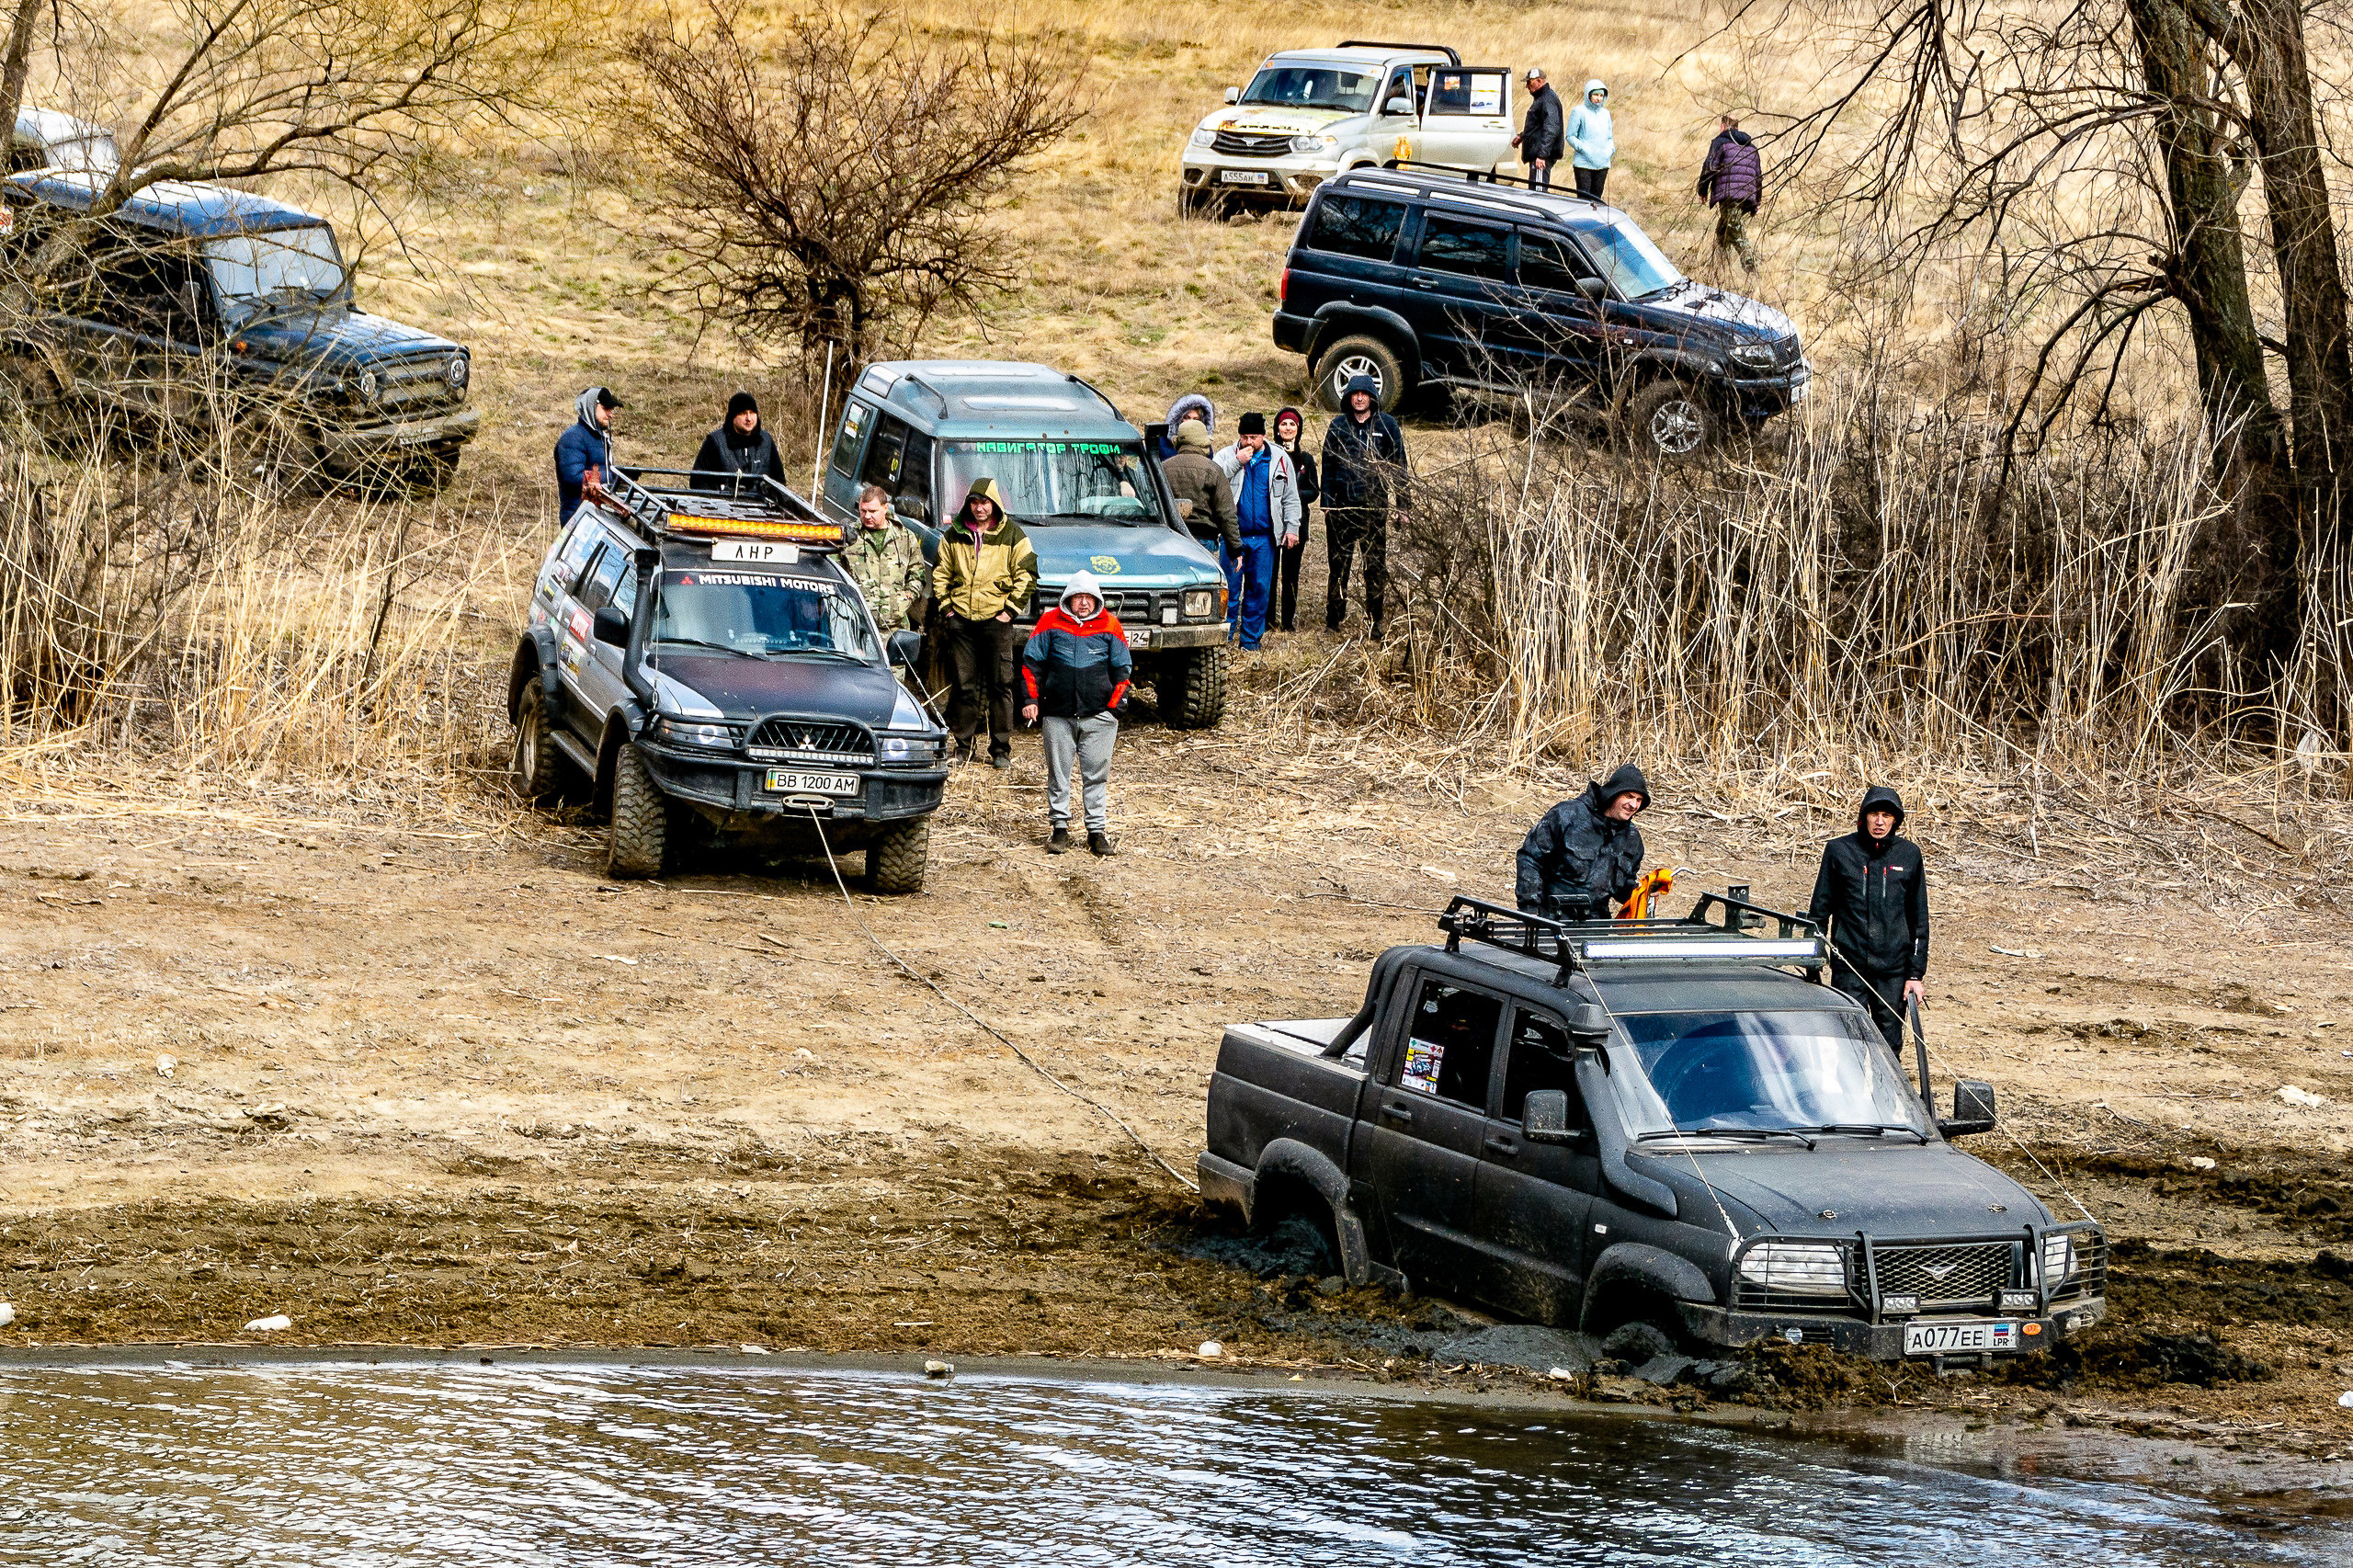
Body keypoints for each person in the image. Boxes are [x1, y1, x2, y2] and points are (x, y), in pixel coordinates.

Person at [1806, 786, 1930, 1052]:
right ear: (1864, 817)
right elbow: (1819, 911)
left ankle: (1884, 1095)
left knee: (1888, 1048)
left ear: (1895, 819)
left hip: (1893, 973)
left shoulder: (1909, 855)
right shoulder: (1839, 851)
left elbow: (1919, 919)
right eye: (1874, 813)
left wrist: (1915, 975)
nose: (1879, 821)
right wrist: (1812, 963)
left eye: (1886, 815)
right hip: (1849, 970)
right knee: (1847, 1045)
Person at [1020, 569, 1131, 857]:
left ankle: (1096, 832)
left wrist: (1114, 709)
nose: (1082, 603)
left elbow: (1123, 670)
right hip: (1057, 714)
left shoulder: (1110, 625)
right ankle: (1059, 829)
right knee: (1058, 774)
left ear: (1097, 600)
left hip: (1099, 717)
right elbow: (1031, 663)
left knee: (1096, 775)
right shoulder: (1049, 622)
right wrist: (1031, 699)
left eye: (1088, 598)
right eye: (1077, 597)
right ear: (1067, 599)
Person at [932, 478, 1039, 769]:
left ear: (995, 504)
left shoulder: (1013, 535)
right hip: (962, 622)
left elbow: (1028, 574)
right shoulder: (954, 535)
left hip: (996, 620)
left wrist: (1010, 611)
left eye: (985, 503)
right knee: (964, 686)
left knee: (1001, 686)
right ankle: (963, 746)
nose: (980, 508)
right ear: (969, 505)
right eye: (975, 503)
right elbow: (940, 573)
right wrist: (948, 610)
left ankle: (1001, 750)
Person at [1319, 375, 1408, 638]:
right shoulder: (1338, 426)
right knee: (1338, 567)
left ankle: (1375, 622)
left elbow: (1399, 468)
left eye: (1364, 393)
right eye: (1354, 393)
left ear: (1372, 397)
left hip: (1374, 510)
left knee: (1375, 567)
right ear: (1348, 398)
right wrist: (1327, 504)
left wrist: (1403, 506)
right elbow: (1328, 466)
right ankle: (1333, 621)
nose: (1359, 398)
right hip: (1341, 511)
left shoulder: (1387, 425)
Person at [1515, 764, 1652, 923]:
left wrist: (1642, 892)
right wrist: (1529, 911)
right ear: (1613, 793)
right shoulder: (1566, 815)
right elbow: (1530, 859)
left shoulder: (1632, 839)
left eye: (1639, 800)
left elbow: (1620, 888)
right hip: (1549, 921)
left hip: (1595, 927)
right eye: (1629, 796)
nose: (1634, 805)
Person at [1213, 412, 1302, 652]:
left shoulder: (1279, 458)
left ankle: (1250, 641)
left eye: (1253, 437)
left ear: (1263, 436)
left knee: (1259, 589)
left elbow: (1291, 497)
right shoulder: (1226, 455)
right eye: (1244, 437)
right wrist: (1237, 461)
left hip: (1264, 538)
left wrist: (1292, 528)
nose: (1248, 442)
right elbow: (1214, 481)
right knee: (1229, 589)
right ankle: (1224, 638)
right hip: (1234, 537)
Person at [843, 483, 929, 634]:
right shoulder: (849, 537)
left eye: (873, 511)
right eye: (863, 511)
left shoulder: (905, 537)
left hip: (895, 627)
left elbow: (918, 575)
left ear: (885, 508)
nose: (867, 516)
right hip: (857, 625)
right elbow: (836, 573)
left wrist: (907, 597)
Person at [1160, 417, 1240, 555]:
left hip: (1171, 538)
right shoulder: (1213, 469)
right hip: (1204, 540)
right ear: (1203, 442)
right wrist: (1235, 548)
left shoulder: (1163, 468)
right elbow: (1226, 512)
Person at [1271, 406, 1319, 633]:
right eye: (1283, 424)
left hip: (1297, 524)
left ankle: (1288, 621)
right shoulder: (1269, 455)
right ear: (1277, 428)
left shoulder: (1306, 459)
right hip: (1271, 522)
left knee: (1291, 574)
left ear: (1298, 429)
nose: (1288, 428)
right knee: (1269, 574)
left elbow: (1314, 491)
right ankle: (1268, 619)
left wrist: (1292, 495)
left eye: (1292, 424)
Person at [1697, 114, 1762, 275]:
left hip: (1729, 195)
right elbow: (1758, 176)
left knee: (1736, 230)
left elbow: (1710, 167)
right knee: (1722, 231)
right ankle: (1720, 271)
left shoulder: (1720, 142)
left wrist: (1702, 190)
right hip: (1748, 195)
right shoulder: (1751, 148)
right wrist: (1756, 202)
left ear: (1723, 127)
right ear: (1737, 127)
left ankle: (1751, 271)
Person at [690, 391, 789, 492]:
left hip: (761, 504)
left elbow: (779, 482)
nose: (749, 418)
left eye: (752, 413)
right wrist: (724, 490)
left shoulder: (766, 440)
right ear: (733, 417)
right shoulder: (715, 442)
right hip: (724, 504)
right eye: (743, 414)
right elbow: (698, 482)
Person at [554, 386, 620, 524]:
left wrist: (622, 477)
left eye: (611, 409)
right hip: (577, 519)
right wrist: (613, 475)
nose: (610, 414)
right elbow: (573, 477)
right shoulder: (573, 437)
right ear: (592, 406)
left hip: (596, 517)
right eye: (605, 408)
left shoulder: (600, 438)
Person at [1512, 67, 1564, 190]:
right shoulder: (1542, 98)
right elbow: (1538, 126)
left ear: (1539, 81)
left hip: (1541, 158)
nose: (1527, 86)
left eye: (1529, 82)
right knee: (1535, 190)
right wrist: (1522, 136)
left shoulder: (1547, 99)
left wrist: (1542, 155)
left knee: (1538, 192)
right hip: (1539, 155)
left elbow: (1551, 128)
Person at [1565, 79, 1615, 199]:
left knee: (1597, 200)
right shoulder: (1579, 111)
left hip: (1602, 163)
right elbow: (1570, 136)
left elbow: (1609, 137)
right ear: (1589, 95)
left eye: (1601, 95)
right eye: (1596, 95)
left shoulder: (1606, 113)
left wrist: (1610, 151)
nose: (1599, 98)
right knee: (1584, 200)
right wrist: (1583, 149)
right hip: (1584, 164)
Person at [1156, 392, 1216, 460]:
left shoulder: (1205, 446)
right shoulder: (1161, 443)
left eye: (1196, 419)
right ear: (1178, 419)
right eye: (1187, 418)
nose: (1190, 421)